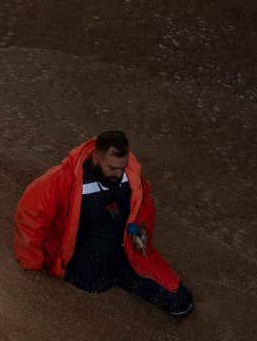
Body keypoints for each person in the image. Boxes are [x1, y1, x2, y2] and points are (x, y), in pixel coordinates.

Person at [13, 130, 193, 318]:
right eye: (112, 168)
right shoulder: (62, 179)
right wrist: (31, 266)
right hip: (81, 269)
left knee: (181, 302)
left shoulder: (131, 176)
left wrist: (141, 228)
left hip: (123, 256)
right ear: (96, 158)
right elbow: (30, 217)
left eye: (122, 168)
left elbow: (144, 205)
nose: (118, 173)